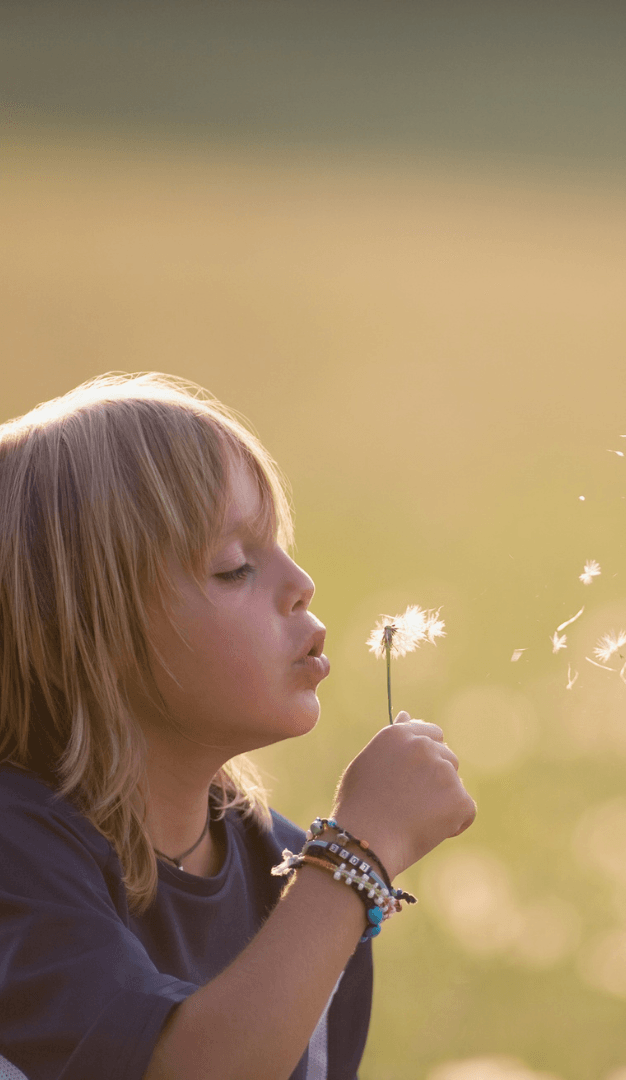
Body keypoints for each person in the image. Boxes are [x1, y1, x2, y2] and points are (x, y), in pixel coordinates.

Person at [0, 372, 476, 1080]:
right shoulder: (16, 857)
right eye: (234, 567)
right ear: (94, 635)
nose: (301, 583)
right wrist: (356, 859)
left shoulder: (288, 870)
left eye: (278, 545)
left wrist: (340, 876)